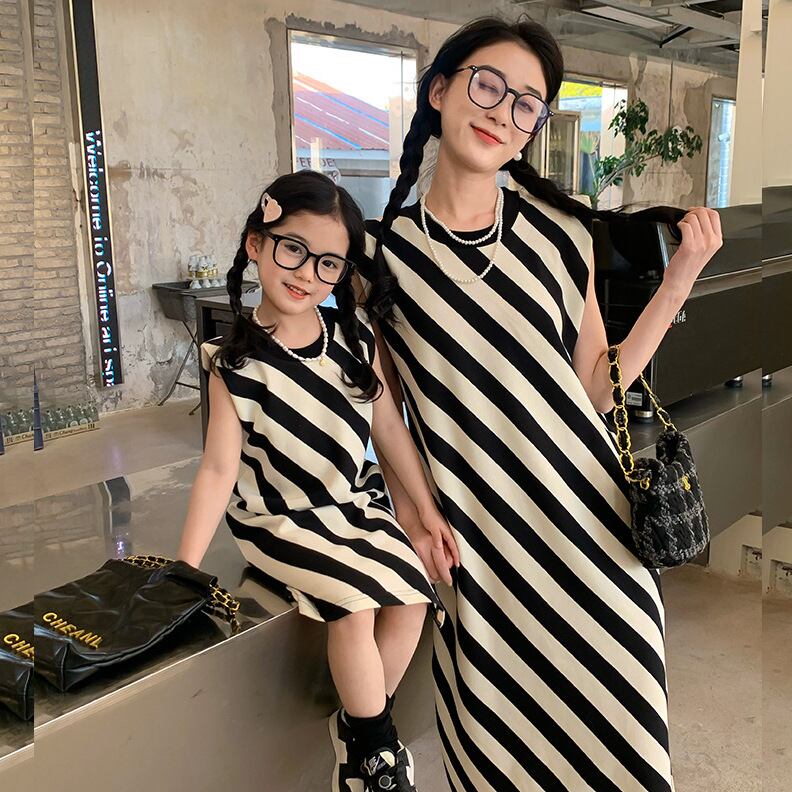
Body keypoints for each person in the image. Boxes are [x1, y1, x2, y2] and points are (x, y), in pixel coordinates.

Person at [356, 16, 722, 792]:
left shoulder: (561, 237)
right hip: (485, 561)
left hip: (597, 546)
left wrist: (678, 281)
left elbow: (598, 386)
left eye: (527, 103)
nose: (503, 111)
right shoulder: (382, 260)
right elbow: (384, 410)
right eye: (488, 85)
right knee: (497, 762)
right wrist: (416, 512)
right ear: (439, 90)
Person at [176, 170, 460, 792]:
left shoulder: (353, 340)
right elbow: (219, 469)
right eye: (293, 250)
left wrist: (425, 508)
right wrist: (184, 571)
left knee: (414, 594)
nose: (307, 274)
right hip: (278, 517)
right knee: (354, 605)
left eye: (328, 263)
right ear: (256, 243)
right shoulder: (233, 362)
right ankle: (377, 756)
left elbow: (389, 428)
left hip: (352, 504)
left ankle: (358, 732)